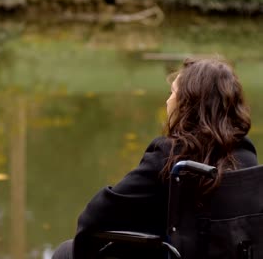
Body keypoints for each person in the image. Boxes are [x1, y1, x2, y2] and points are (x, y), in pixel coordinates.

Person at [52, 57, 258, 259]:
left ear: (189, 104)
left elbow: (98, 214)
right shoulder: (247, 155)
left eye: (173, 93)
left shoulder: (170, 156)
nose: (168, 100)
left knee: (65, 251)